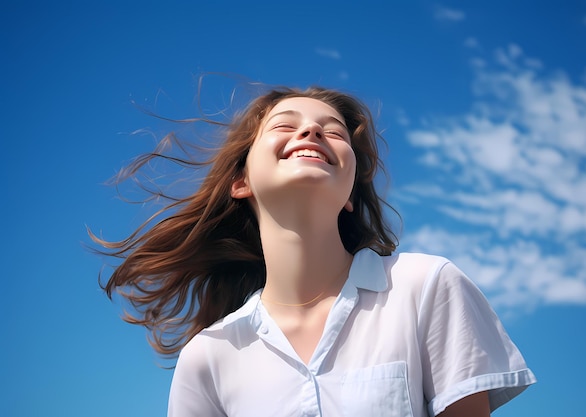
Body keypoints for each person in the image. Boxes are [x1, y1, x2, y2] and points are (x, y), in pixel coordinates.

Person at [94, 86, 536, 416]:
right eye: (286, 125)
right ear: (241, 182)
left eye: (334, 132)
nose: (311, 131)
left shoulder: (425, 286)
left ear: (349, 193)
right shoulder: (208, 356)